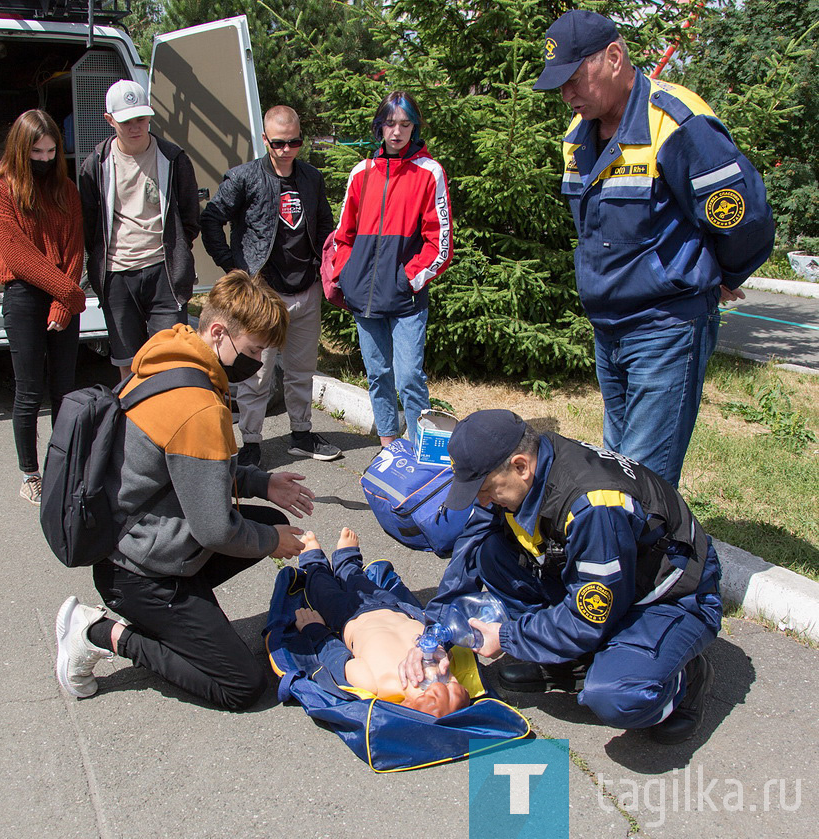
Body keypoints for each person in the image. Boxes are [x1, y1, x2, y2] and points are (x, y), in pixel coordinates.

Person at [533, 10, 774, 487]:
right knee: (616, 466)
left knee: (641, 480)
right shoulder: (577, 140)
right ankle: (630, 550)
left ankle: (650, 557)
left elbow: (744, 217)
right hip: (609, 328)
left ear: (615, 57)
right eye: (559, 86)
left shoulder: (677, 123)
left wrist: (723, 274)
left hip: (665, 328)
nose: (567, 95)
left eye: (574, 79)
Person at [55, 270, 316, 711]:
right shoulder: (198, 406)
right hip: (138, 574)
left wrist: (261, 483)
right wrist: (274, 542)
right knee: (243, 686)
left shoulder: (173, 357)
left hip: (131, 542)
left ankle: (187, 616)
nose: (258, 364)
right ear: (218, 333)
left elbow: (190, 469)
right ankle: (97, 633)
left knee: (268, 521)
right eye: (254, 350)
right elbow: (215, 530)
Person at [401, 410, 722, 745]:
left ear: (521, 467)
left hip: (671, 597)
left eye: (484, 490)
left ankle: (684, 679)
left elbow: (588, 616)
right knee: (489, 553)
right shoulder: (529, 458)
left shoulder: (593, 506)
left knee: (615, 696)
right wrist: (434, 634)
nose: (482, 500)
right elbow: (472, 543)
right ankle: (579, 657)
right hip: (614, 581)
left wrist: (510, 637)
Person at [201, 105, 340, 468]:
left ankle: (301, 434)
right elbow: (211, 219)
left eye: (294, 141)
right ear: (265, 140)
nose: (286, 150)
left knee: (301, 369)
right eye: (278, 143)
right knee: (256, 373)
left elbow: (325, 224)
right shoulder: (244, 178)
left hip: (306, 287)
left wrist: (325, 267)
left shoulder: (311, 177)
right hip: (263, 292)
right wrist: (234, 269)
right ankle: (250, 443)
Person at [328, 91, 453, 447]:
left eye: (405, 124)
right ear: (379, 126)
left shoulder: (429, 173)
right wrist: (347, 274)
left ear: (414, 127)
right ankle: (387, 447)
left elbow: (440, 244)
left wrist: (407, 279)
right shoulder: (361, 173)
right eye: (390, 123)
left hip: (405, 299)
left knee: (409, 377)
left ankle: (420, 450)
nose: (396, 132)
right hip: (364, 298)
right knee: (378, 375)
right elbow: (343, 234)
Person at [0, 109, 85, 504]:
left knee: (65, 391)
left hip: (62, 295)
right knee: (29, 392)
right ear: (20, 149)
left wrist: (65, 303)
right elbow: (17, 254)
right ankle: (30, 474)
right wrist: (70, 295)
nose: (44, 159)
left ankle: (63, 469)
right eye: (36, 152)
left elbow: (75, 248)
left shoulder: (67, 189)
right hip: (25, 296)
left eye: (50, 151)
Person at [79, 79, 201, 380]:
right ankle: (135, 426)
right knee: (128, 364)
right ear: (109, 121)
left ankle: (169, 424)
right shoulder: (95, 165)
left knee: (170, 361)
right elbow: (89, 224)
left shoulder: (173, 158)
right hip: (117, 275)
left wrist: (178, 253)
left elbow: (189, 217)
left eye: (142, 119)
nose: (136, 127)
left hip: (164, 273)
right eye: (127, 121)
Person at [294, 528, 470, 718]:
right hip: (390, 606)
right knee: (359, 580)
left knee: (322, 590)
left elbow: (335, 657)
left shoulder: (375, 682)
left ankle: (314, 563)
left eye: (425, 686)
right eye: (448, 680)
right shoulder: (440, 658)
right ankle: (347, 560)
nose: (434, 676)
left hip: (346, 617)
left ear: (407, 703)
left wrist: (315, 630)